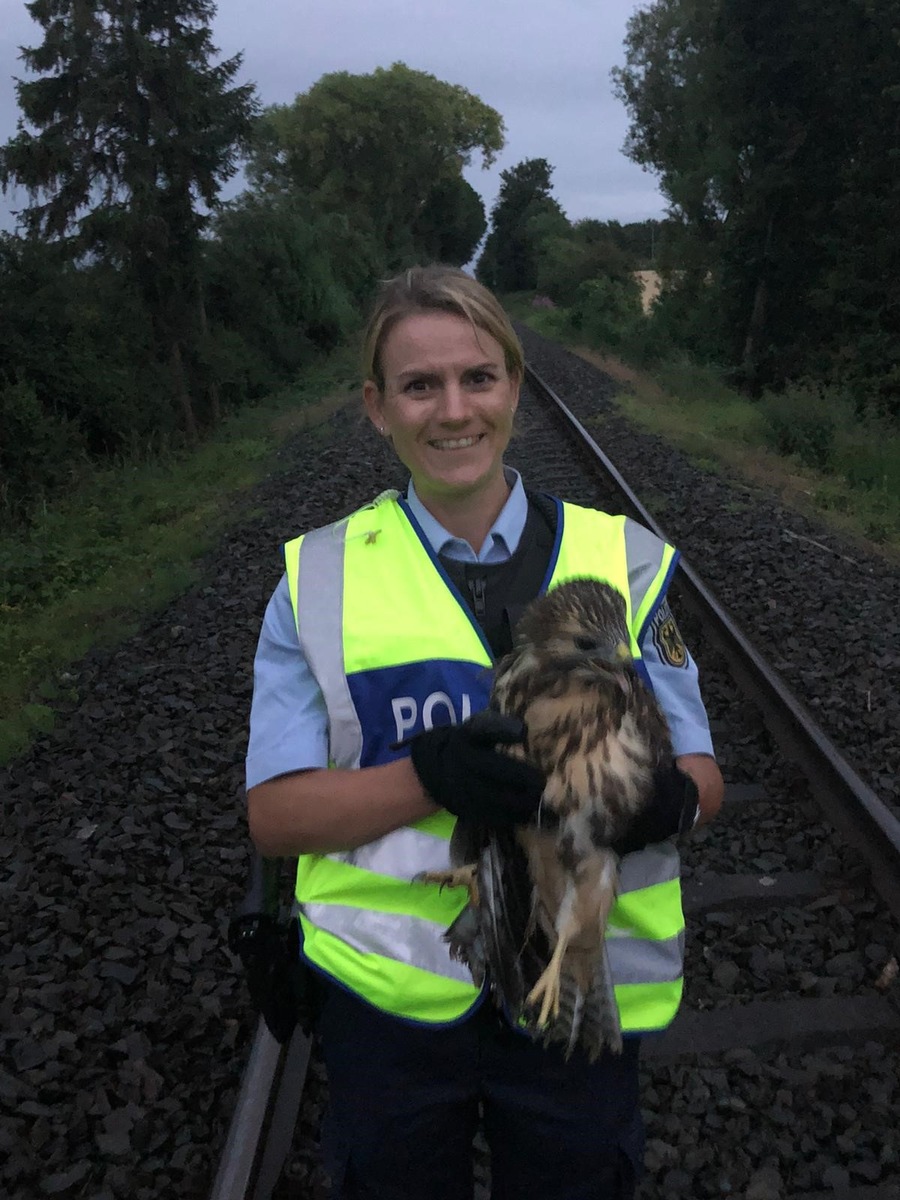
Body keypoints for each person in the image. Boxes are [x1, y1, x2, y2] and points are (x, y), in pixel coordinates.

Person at [245, 265, 724, 1200]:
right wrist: (428, 776)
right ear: (377, 408)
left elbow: (702, 780)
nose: (454, 410)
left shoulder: (629, 562)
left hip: (581, 992)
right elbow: (275, 817)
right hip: (394, 1006)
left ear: (515, 385)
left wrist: (661, 801)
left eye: (478, 377)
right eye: (421, 385)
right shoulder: (318, 580)